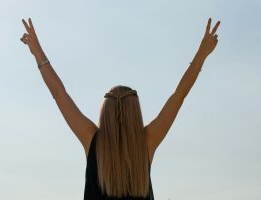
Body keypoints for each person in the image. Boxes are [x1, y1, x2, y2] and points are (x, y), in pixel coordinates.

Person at [20, 17, 220, 200]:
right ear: (136, 112)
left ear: (105, 111)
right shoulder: (147, 141)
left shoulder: (91, 139)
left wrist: (38, 53)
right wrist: (202, 54)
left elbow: (59, 94)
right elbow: (179, 97)